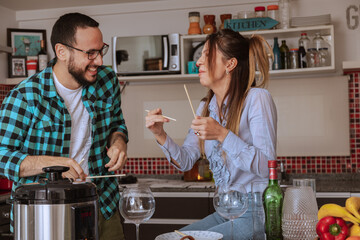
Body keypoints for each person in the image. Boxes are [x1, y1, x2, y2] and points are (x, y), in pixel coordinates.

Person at [0, 13, 128, 240]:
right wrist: (55, 165)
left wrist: (118, 142)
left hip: (103, 204)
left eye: (101, 50)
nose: (99, 61)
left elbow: (117, 123)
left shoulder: (107, 80)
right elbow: (2, 157)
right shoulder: (25, 96)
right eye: (90, 53)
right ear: (61, 51)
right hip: (44, 214)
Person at [145, 29, 277, 239]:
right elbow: (187, 160)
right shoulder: (206, 106)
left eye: (206, 55)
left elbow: (267, 167)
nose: (198, 62)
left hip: (253, 213)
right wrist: (160, 134)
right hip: (224, 210)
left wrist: (223, 134)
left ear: (230, 64)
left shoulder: (257, 98)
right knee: (168, 238)